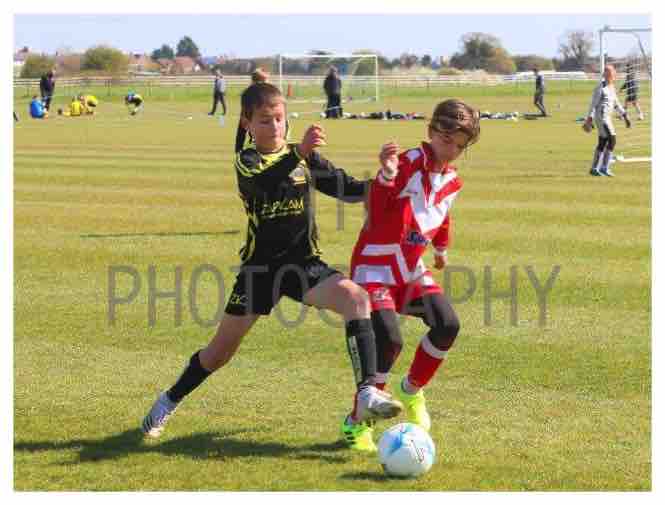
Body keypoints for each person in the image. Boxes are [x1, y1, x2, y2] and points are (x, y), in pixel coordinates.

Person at [141, 82, 403, 444]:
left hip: (303, 265)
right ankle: (168, 400)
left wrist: (386, 174)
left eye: (279, 118)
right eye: (265, 121)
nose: (275, 127)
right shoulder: (247, 161)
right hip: (260, 272)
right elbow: (265, 184)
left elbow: (349, 189)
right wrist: (300, 153)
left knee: (356, 298)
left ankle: (366, 393)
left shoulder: (303, 157)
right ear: (247, 123)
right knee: (218, 354)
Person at [343, 99, 480, 452]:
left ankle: (411, 390)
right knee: (389, 340)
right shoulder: (406, 163)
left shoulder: (452, 181)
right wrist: (386, 176)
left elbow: (442, 215)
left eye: (459, 146)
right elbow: (376, 209)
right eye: (446, 140)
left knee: (447, 324)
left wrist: (441, 249)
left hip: (409, 268)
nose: (450, 150)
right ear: (431, 131)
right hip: (375, 266)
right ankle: (357, 421)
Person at [584, 64, 631, 177]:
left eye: (612, 73)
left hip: (607, 118)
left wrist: (625, 115)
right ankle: (604, 167)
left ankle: (594, 168)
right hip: (601, 118)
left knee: (603, 142)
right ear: (605, 75)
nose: (612, 75)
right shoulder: (600, 88)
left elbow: (616, 104)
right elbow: (593, 105)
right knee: (612, 140)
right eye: (609, 73)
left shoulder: (612, 87)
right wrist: (589, 119)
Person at [234, 67, 270, 153]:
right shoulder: (249, 98)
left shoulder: (272, 95)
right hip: (257, 144)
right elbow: (242, 125)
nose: (268, 83)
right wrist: (238, 147)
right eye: (266, 80)